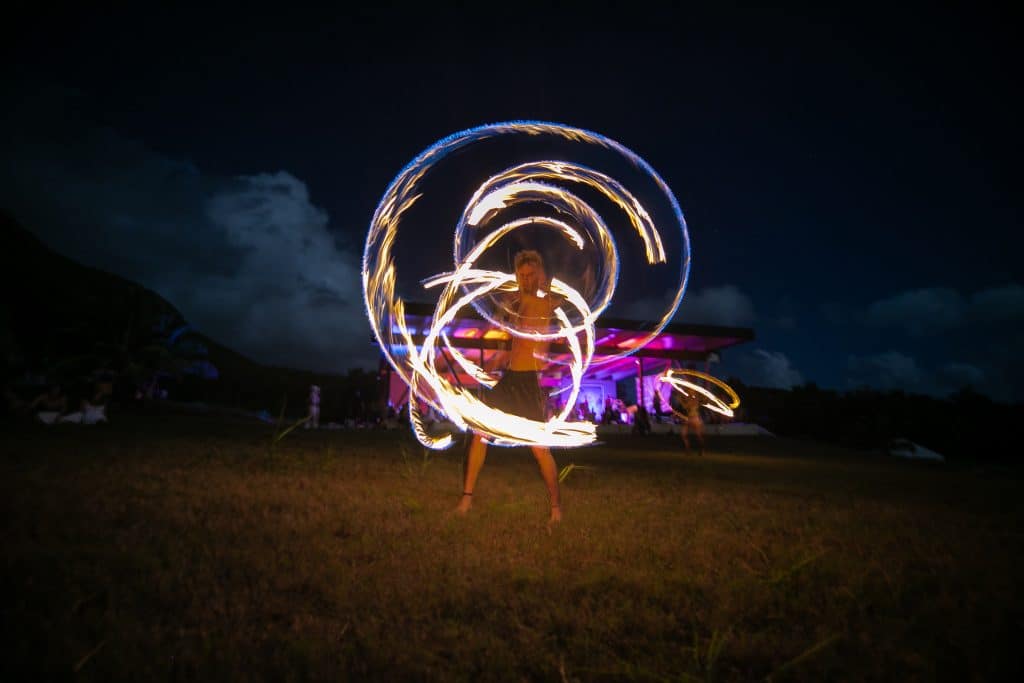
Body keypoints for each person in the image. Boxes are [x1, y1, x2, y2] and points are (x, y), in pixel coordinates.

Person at [456, 250, 562, 523]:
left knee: (539, 450)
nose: (527, 280)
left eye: (532, 275)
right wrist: (493, 362)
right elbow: (512, 346)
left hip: (528, 383)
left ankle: (556, 509)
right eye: (522, 275)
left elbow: (551, 308)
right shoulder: (515, 303)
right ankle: (467, 498)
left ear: (540, 275)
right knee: (480, 433)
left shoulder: (546, 302)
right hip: (511, 379)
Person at [673, 391, 705, 456]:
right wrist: (680, 399)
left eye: (691, 394)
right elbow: (685, 406)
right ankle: (688, 450)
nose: (689, 395)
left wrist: (681, 399)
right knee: (684, 434)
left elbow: (690, 405)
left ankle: (701, 450)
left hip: (695, 418)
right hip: (688, 419)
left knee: (698, 436)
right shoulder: (688, 401)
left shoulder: (695, 400)